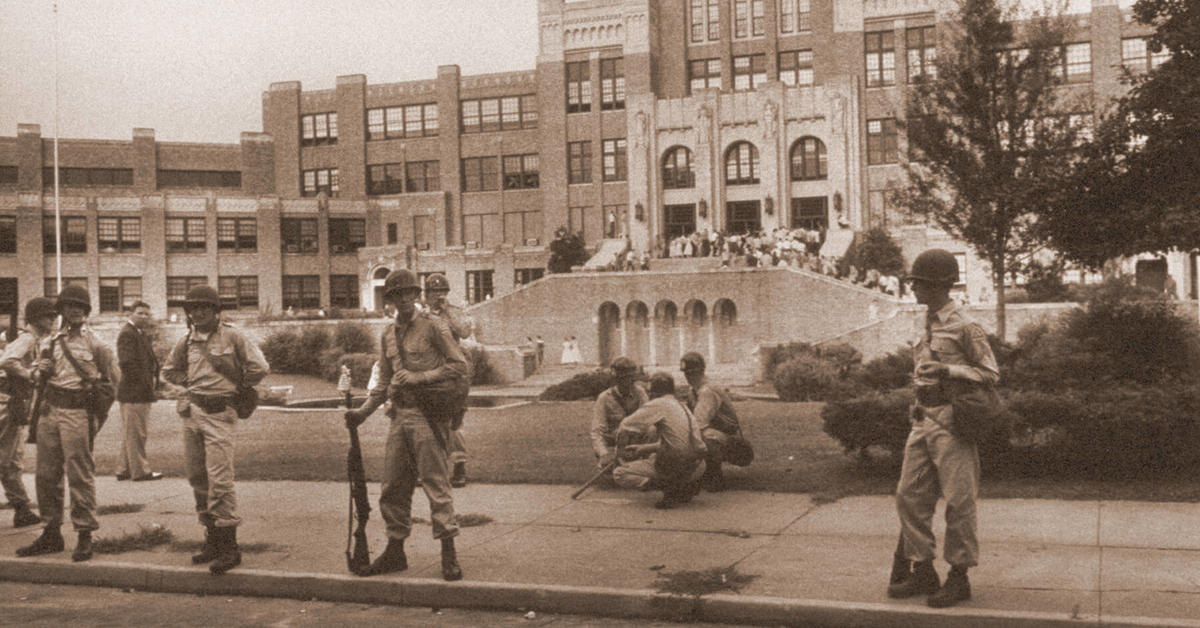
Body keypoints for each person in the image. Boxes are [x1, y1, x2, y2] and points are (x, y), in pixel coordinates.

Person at [887, 249, 1000, 609]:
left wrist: (950, 371)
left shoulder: (965, 326)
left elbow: (991, 373)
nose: (914, 289)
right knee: (910, 496)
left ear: (937, 286)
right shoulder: (926, 323)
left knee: (959, 502)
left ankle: (958, 576)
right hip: (922, 421)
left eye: (919, 283)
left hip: (952, 424)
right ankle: (923, 569)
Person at [345, 269, 468, 581]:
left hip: (427, 415)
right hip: (399, 416)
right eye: (396, 295)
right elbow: (383, 382)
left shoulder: (434, 327)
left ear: (416, 295)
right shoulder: (387, 334)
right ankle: (395, 551)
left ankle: (448, 554)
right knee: (393, 487)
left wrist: (419, 377)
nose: (403, 300)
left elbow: (459, 365)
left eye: (408, 293)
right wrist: (362, 413)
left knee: (436, 484)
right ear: (391, 299)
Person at [162, 285, 269, 575]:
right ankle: (211, 539)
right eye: (193, 308)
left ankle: (229, 545)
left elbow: (259, 367)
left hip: (221, 412)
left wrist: (236, 385)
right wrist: (191, 383)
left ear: (215, 311)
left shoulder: (233, 335)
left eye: (204, 308)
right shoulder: (186, 341)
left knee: (220, 479)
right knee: (198, 479)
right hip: (193, 413)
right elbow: (168, 370)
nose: (198, 313)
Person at [16, 286, 119, 562]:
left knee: (79, 474)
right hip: (51, 411)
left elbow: (110, 384)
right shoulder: (49, 341)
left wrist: (96, 417)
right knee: (46, 475)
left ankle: (85, 534)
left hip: (78, 412)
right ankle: (51, 533)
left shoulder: (96, 344)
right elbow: (38, 375)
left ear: (86, 311)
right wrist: (40, 371)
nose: (74, 311)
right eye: (69, 306)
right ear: (60, 310)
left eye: (80, 307)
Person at [0, 297, 58, 528]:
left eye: (53, 316)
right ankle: (21, 507)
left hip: (16, 401)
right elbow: (7, 361)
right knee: (8, 458)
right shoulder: (27, 338)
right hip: (10, 401)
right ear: (35, 318)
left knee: (11, 457)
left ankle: (21, 507)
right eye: (48, 316)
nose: (53, 319)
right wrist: (30, 374)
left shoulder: (37, 339)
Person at [615, 373, 706, 509]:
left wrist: (619, 452)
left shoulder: (659, 404)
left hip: (674, 465)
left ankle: (670, 487)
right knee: (656, 455)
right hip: (698, 466)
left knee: (619, 473)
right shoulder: (682, 406)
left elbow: (625, 425)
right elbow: (682, 443)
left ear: (655, 391)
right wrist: (644, 448)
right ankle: (684, 485)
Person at [423, 272, 473, 489]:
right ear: (427, 294)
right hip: (431, 375)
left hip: (453, 375)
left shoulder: (454, 313)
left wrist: (446, 313)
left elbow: (464, 331)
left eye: (442, 291)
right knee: (429, 423)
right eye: (434, 292)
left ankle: (459, 466)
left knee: (455, 423)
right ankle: (434, 470)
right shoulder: (421, 316)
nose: (438, 296)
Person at [115, 301, 162, 482]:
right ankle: (140, 471)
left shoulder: (137, 333)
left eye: (146, 314)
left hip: (136, 391)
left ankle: (123, 469)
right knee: (137, 433)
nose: (144, 317)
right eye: (140, 313)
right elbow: (126, 363)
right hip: (134, 393)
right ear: (131, 314)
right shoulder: (128, 334)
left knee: (131, 432)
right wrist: (143, 384)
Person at [679, 352, 740, 492]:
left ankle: (716, 476)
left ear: (701, 371)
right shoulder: (693, 390)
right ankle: (707, 473)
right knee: (698, 434)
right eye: (686, 373)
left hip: (729, 438)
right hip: (717, 432)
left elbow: (699, 422)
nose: (688, 376)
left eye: (692, 373)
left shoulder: (707, 391)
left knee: (703, 435)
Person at [590, 357, 648, 486]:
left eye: (631, 378)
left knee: (652, 430)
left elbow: (647, 419)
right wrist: (604, 454)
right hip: (614, 437)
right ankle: (615, 465)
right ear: (616, 379)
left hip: (635, 436)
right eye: (624, 378)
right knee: (609, 476)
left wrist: (630, 432)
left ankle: (645, 466)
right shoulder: (604, 398)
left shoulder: (640, 393)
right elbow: (597, 431)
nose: (629, 382)